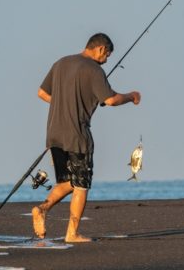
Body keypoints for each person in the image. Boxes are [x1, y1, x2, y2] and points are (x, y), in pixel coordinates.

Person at [32, 33, 141, 243]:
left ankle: (42, 209)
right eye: (107, 55)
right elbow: (110, 99)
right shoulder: (94, 69)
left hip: (54, 133)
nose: (107, 60)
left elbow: (42, 93)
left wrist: (66, 103)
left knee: (67, 182)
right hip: (77, 135)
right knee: (81, 184)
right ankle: (72, 233)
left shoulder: (61, 63)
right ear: (100, 49)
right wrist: (131, 96)